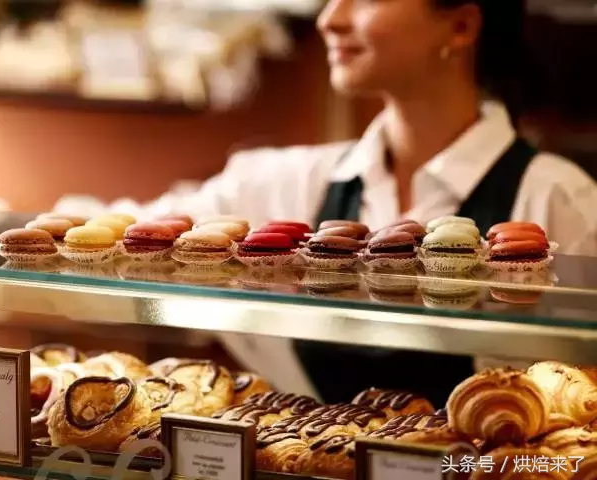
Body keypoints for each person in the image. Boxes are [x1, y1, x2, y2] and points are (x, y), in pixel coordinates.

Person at [66, 0, 597, 404]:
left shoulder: (558, 199)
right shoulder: (281, 182)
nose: (330, 18)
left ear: (460, 26)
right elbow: (127, 234)